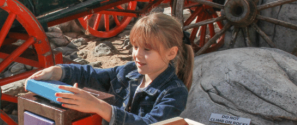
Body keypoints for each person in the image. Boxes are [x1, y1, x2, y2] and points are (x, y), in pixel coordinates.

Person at [27, 12, 194, 124]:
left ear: (171, 53)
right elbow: (92, 75)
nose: (137, 55)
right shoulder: (130, 72)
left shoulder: (174, 92)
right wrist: (58, 71)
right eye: (135, 47)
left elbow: (148, 123)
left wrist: (99, 106)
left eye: (147, 50)